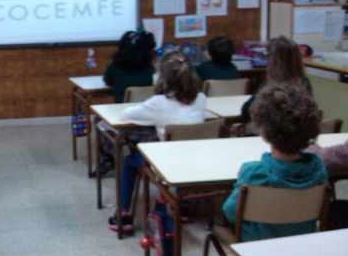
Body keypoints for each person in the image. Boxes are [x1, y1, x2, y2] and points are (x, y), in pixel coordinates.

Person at [108, 52, 206, 234]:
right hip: (195, 162)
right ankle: (181, 205)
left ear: (161, 78)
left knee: (129, 161)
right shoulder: (201, 98)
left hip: (166, 165)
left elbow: (126, 115)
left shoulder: (158, 103)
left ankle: (124, 214)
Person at [223, 83, 326, 241]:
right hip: (301, 245)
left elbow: (230, 213)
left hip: (256, 252)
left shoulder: (253, 173)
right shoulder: (319, 170)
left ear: (263, 131)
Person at [241, 36, 312, 123]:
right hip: (299, 133)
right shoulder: (304, 83)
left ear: (274, 61)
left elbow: (247, 111)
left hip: (272, 133)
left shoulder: (271, 86)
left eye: (267, 56)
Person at [103, 31, 156, 103]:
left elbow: (108, 82)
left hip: (121, 109)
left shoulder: (114, 67)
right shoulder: (149, 68)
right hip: (145, 108)